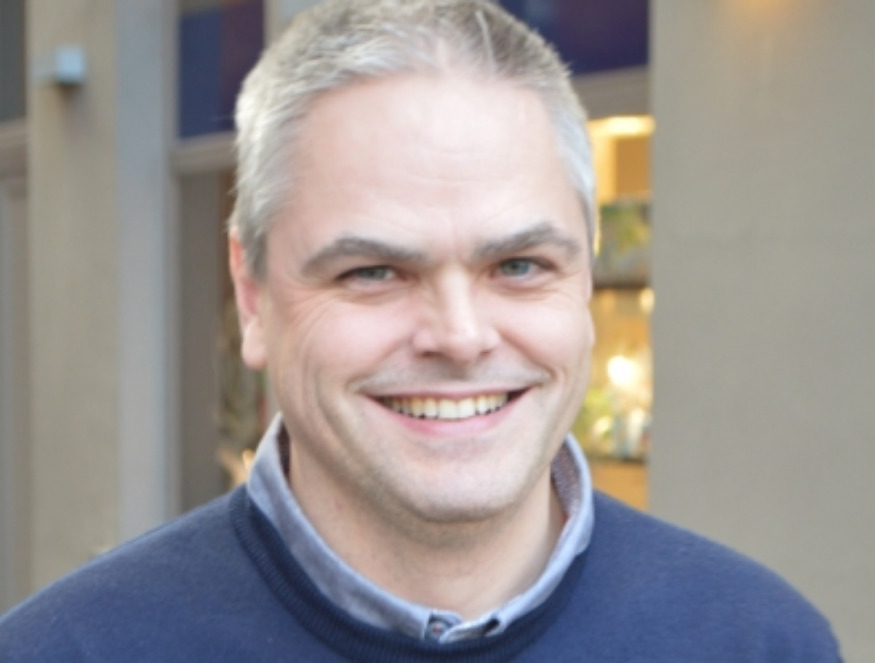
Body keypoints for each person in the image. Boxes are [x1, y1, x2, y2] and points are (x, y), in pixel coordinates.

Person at [0, 1, 842, 661]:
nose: (460, 336)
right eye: (373, 271)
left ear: (584, 275)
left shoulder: (760, 642)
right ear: (252, 296)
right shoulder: (69, 651)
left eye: (518, 264)